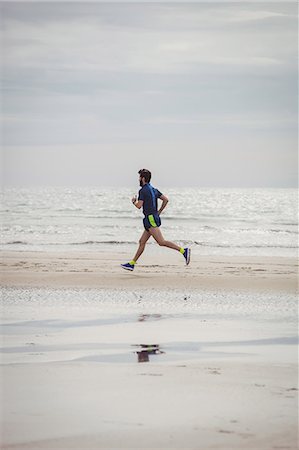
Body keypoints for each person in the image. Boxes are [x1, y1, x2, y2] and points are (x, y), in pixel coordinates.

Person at [121, 169, 191, 271]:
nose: (139, 179)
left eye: (139, 177)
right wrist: (158, 212)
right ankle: (132, 264)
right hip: (152, 218)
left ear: (143, 178)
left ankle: (183, 251)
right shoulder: (153, 189)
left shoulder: (143, 190)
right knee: (142, 241)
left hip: (150, 219)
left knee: (161, 242)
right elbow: (165, 200)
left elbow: (139, 206)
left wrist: (133, 202)